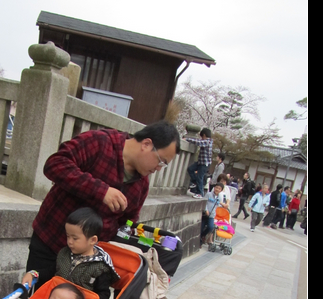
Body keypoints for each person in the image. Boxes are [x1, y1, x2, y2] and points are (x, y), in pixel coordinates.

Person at [25, 121, 180, 288]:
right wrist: (101, 191)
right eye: (161, 161)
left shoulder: (141, 185)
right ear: (146, 144)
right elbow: (55, 164)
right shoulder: (100, 142)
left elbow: (126, 223)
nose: (158, 168)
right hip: (51, 241)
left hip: (87, 263)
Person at [185, 127, 213, 199]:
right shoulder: (207, 141)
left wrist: (187, 139)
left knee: (200, 177)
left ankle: (200, 193)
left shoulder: (208, 141)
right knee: (190, 169)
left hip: (204, 164)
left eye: (202, 137)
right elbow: (198, 140)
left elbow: (199, 142)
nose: (201, 138)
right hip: (200, 162)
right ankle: (194, 182)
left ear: (204, 135)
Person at [201, 181, 224, 246]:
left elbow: (217, 205)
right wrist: (206, 210)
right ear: (214, 188)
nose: (217, 189)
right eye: (216, 187)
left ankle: (203, 235)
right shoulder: (208, 194)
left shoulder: (219, 197)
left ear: (221, 190)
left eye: (219, 189)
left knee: (210, 227)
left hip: (212, 215)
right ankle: (200, 240)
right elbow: (204, 202)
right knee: (201, 226)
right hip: (205, 214)